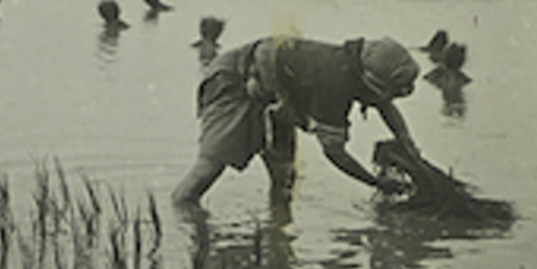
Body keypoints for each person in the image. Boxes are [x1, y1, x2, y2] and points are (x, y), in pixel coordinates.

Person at [172, 36, 421, 206]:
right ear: (372, 82)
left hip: (277, 94)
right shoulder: (336, 85)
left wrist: (407, 142)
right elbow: (335, 153)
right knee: (209, 168)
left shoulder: (356, 65)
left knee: (284, 179)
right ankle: (183, 218)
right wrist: (376, 182)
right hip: (234, 81)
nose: (390, 98)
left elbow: (384, 105)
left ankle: (276, 237)